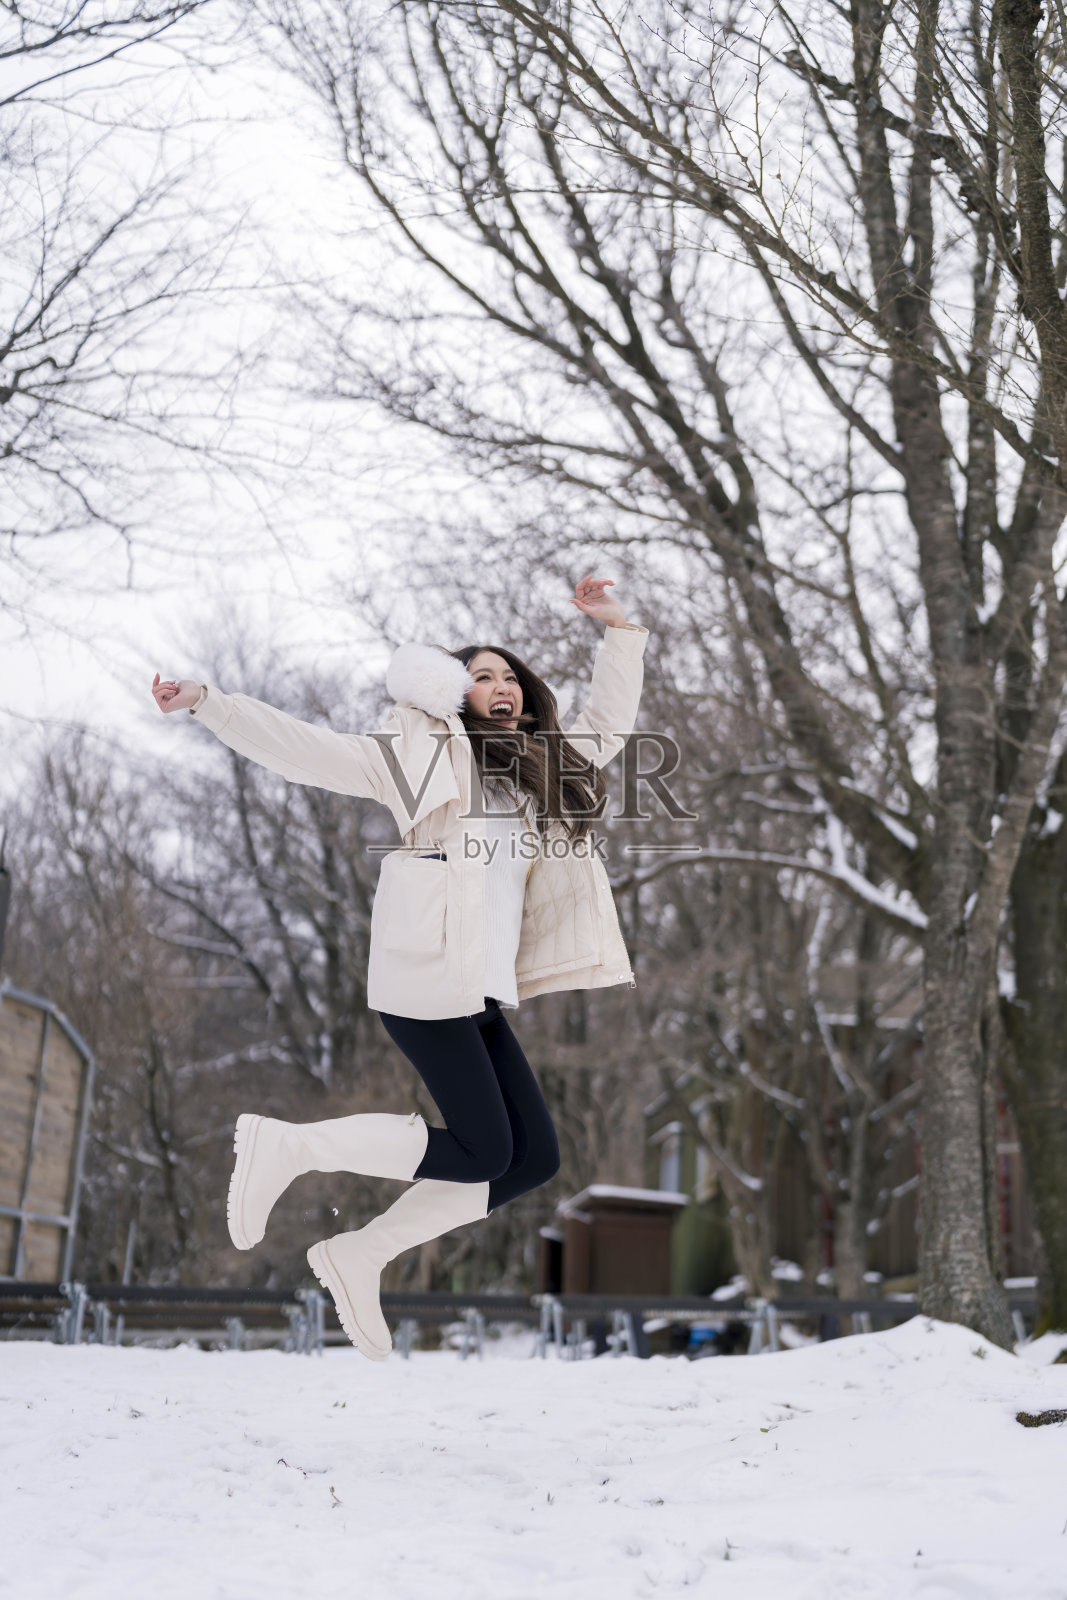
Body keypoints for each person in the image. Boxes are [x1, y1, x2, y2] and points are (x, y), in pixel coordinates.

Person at [151, 575, 649, 1358]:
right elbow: (306, 750)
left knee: (532, 1159)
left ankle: (359, 1253)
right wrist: (212, 703)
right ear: (452, 691)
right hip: (424, 970)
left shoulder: (533, 771)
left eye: (510, 676)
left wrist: (618, 632)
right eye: (481, 675)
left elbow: (608, 725)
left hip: (478, 986)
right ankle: (290, 1148)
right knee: (487, 1151)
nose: (502, 686)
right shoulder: (414, 755)